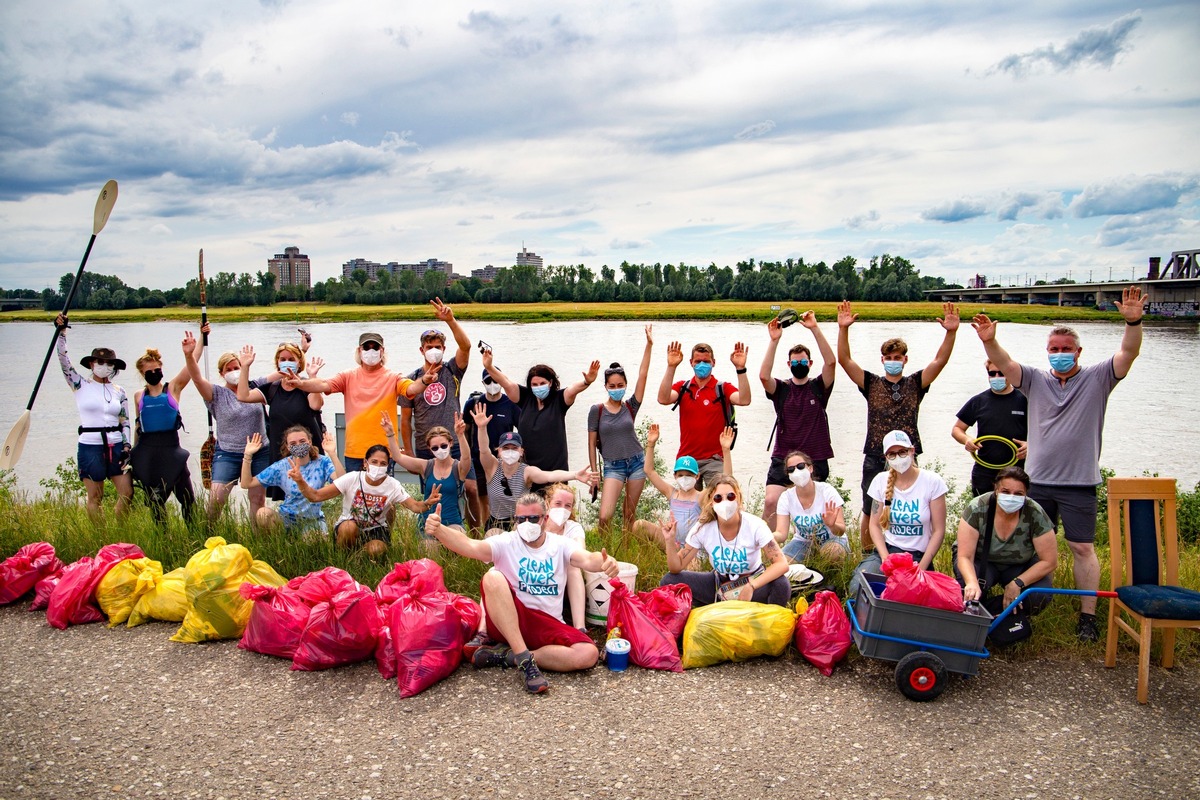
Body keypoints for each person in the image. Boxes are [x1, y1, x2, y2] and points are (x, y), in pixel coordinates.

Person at [971, 285, 1148, 642]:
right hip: (1037, 483)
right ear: (1047, 352)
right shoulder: (1034, 380)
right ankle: (1021, 604)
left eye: (1066, 350)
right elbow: (1004, 363)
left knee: (1082, 548)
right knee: (1030, 548)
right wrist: (989, 340)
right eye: (1054, 349)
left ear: (1078, 352)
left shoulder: (1099, 378)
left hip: (1080, 482)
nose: (1060, 354)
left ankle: (1087, 617)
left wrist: (1134, 322)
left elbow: (1128, 354)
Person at [424, 493, 620, 694]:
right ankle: (526, 662)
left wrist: (605, 562)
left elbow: (587, 559)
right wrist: (440, 531)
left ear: (545, 519)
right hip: (510, 620)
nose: (527, 524)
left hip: (547, 623)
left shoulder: (560, 544)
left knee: (588, 654)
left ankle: (507, 656)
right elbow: (470, 545)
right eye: (521, 519)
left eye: (533, 518)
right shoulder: (506, 542)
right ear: (515, 520)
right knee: (492, 577)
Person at [836, 300, 959, 520]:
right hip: (876, 454)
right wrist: (843, 329)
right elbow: (845, 360)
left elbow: (940, 361)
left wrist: (950, 333)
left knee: (907, 506)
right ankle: (869, 554)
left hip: (906, 455)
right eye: (889, 358)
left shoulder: (916, 383)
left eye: (898, 358)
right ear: (882, 360)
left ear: (905, 360)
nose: (894, 361)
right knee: (870, 509)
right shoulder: (871, 383)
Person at [284, 332, 433, 472]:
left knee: (382, 497)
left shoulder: (393, 377)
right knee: (354, 496)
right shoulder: (347, 376)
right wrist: (300, 384)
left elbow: (412, 388)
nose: (371, 351)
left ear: (382, 351)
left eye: (375, 348)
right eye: (366, 347)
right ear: (359, 350)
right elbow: (323, 384)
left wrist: (425, 381)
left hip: (384, 452)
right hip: (354, 451)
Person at [398, 298, 481, 524]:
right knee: (432, 495)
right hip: (427, 448)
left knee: (471, 489)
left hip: (454, 443)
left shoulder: (452, 370)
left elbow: (466, 346)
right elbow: (405, 421)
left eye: (437, 347)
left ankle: (473, 535)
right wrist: (409, 452)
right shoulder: (410, 380)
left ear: (443, 349)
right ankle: (433, 533)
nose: (433, 350)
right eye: (429, 347)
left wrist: (451, 320)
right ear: (421, 350)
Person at [480, 347, 599, 494]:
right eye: (534, 384)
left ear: (550, 382)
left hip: (557, 473)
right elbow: (505, 382)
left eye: (542, 383)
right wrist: (489, 366)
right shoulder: (524, 398)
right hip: (529, 474)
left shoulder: (559, 400)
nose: (538, 387)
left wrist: (586, 382)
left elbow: (573, 389)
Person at [659, 475, 790, 607]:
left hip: (752, 584)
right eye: (718, 498)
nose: (725, 502)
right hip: (719, 584)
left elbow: (781, 564)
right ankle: (711, 607)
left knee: (781, 584)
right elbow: (676, 567)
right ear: (711, 501)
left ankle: (768, 622)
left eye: (730, 496)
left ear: (738, 498)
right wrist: (669, 540)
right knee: (669, 580)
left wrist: (752, 586)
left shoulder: (755, 525)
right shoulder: (702, 528)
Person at [292, 443, 439, 558]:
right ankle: (343, 558)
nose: (378, 466)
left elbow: (413, 506)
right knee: (349, 528)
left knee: (377, 550)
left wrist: (427, 503)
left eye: (383, 463)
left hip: (375, 530)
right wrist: (300, 481)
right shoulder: (353, 478)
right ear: (365, 463)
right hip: (349, 526)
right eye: (374, 462)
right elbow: (315, 496)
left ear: (388, 466)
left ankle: (358, 558)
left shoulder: (392, 485)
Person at [760, 310, 836, 532]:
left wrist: (814, 328)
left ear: (810, 363)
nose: (799, 364)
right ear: (789, 364)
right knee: (771, 501)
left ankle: (819, 546)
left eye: (803, 361)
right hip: (783, 455)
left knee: (816, 507)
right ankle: (768, 551)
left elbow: (831, 363)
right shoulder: (782, 389)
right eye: (795, 361)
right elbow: (764, 377)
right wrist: (774, 340)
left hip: (815, 456)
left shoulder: (818, 388)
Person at [469, 405, 597, 535]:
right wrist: (482, 427)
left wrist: (575, 475)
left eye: (514, 448)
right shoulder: (492, 467)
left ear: (521, 451)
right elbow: (484, 449)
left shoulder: (527, 472)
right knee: (492, 538)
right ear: (499, 451)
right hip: (496, 521)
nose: (510, 451)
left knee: (519, 535)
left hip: (521, 520)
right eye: (506, 448)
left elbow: (549, 476)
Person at [849, 430, 949, 598]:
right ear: (886, 457)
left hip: (918, 555)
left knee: (911, 596)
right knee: (858, 586)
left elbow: (939, 530)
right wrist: (885, 558)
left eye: (902, 452)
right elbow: (874, 525)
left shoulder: (932, 482)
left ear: (912, 451)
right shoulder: (880, 481)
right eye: (892, 454)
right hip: (888, 551)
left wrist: (921, 569)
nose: (898, 457)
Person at [53, 313, 133, 518]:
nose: (104, 366)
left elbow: (125, 421)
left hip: (116, 445)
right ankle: (101, 537)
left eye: (109, 363)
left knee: (127, 493)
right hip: (90, 445)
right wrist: (61, 333)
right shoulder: (80, 384)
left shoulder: (120, 391)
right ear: (91, 363)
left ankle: (120, 532)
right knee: (95, 496)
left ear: (114, 366)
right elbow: (64, 361)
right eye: (100, 361)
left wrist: (127, 446)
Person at [183, 331, 269, 521]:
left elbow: (280, 374)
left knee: (258, 499)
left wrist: (302, 350)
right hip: (228, 452)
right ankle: (207, 535)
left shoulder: (256, 386)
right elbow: (196, 378)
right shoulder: (216, 394)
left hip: (259, 451)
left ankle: (257, 539)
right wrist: (189, 356)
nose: (234, 372)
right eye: (229, 369)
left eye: (237, 367)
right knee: (216, 499)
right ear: (221, 373)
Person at [954, 466, 1058, 615]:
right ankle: (979, 610)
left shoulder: (1035, 512)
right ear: (996, 490)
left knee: (1039, 595)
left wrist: (1018, 583)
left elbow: (1049, 561)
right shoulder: (977, 507)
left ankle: (996, 612)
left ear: (1026, 494)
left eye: (1018, 494)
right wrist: (972, 582)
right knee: (967, 586)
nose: (1011, 497)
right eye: (1006, 492)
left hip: (1019, 565)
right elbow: (965, 556)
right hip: (982, 560)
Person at [632, 422, 733, 569]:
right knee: (639, 525)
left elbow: (726, 480)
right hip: (672, 541)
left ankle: (686, 565)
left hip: (692, 549)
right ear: (675, 476)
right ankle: (652, 559)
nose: (685, 478)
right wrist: (650, 444)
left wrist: (726, 450)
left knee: (691, 569)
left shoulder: (702, 496)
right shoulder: (671, 493)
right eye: (681, 475)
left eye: (689, 475)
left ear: (697, 476)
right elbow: (649, 471)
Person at [236, 342, 326, 500]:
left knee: (312, 495)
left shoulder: (306, 385)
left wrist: (312, 378)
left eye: (291, 358)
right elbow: (243, 396)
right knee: (287, 497)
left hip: (308, 450)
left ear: (299, 362)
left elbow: (316, 404)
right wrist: (244, 367)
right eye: (282, 359)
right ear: (277, 362)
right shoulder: (272, 388)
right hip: (282, 452)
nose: (287, 362)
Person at [656, 340, 750, 488]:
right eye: (698, 361)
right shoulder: (683, 387)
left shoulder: (723, 388)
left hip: (715, 459)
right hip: (687, 459)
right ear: (691, 363)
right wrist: (671, 367)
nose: (702, 364)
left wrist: (740, 368)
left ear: (713, 362)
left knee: (721, 496)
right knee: (688, 506)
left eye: (706, 361)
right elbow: (663, 398)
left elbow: (744, 400)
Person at [587, 325, 654, 532]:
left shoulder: (630, 407)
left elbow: (643, 374)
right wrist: (595, 473)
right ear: (606, 386)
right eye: (612, 386)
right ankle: (602, 556)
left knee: (629, 516)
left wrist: (649, 345)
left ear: (625, 384)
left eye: (620, 385)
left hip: (636, 462)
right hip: (612, 466)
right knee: (604, 517)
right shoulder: (596, 410)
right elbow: (591, 443)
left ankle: (626, 554)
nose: (617, 389)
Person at [129, 335, 198, 523]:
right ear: (142, 374)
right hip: (148, 451)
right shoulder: (138, 396)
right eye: (148, 371)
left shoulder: (173, 388)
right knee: (155, 502)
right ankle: (164, 538)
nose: (153, 373)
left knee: (187, 500)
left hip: (171, 449)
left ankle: (195, 534)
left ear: (161, 370)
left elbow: (190, 370)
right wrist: (134, 454)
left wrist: (192, 350)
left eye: (156, 370)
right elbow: (138, 425)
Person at [240, 427, 343, 534]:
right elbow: (246, 483)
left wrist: (332, 453)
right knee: (263, 513)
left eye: (302, 441)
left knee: (314, 541)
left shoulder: (322, 462)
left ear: (310, 441)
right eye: (293, 443)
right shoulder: (281, 467)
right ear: (288, 447)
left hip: (313, 520)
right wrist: (247, 455)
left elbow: (342, 481)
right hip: (286, 519)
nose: (298, 445)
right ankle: (274, 544)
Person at [382, 413, 472, 536]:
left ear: (451, 443)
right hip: (427, 523)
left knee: (459, 541)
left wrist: (460, 436)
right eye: (435, 448)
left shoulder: (458, 468)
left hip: (452, 522)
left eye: (443, 445)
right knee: (429, 552)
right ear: (429, 449)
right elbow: (398, 457)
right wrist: (390, 433)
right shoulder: (426, 466)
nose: (440, 450)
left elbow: (467, 459)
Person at [951, 360, 1028, 497]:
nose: (997, 377)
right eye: (992, 373)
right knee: (983, 514)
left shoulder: (1024, 400)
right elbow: (957, 429)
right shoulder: (979, 401)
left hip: (1017, 471)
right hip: (984, 471)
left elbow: (1044, 431)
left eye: (1002, 373)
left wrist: (1031, 446)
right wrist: (967, 440)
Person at [462, 365, 522, 525]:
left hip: (503, 462)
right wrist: (465, 456)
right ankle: (477, 534)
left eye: (496, 379)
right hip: (477, 461)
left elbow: (521, 431)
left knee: (498, 499)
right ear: (483, 382)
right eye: (489, 380)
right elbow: (465, 431)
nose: (493, 383)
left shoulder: (511, 404)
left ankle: (495, 529)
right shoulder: (472, 404)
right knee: (477, 497)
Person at [773, 450, 849, 564]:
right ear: (788, 475)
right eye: (791, 469)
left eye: (800, 466)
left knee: (832, 553)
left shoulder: (827, 491)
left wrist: (832, 525)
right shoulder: (786, 497)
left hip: (832, 539)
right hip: (802, 542)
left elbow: (841, 531)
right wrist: (766, 536)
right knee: (780, 563)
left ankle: (831, 576)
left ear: (810, 468)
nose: (796, 471)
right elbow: (781, 534)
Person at [543, 483, 587, 631]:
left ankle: (580, 628)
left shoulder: (573, 528)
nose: (562, 509)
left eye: (567, 506)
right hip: (536, 577)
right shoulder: (534, 525)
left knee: (572, 565)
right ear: (547, 503)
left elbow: (580, 551)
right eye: (558, 504)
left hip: (563, 582)